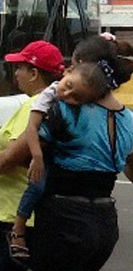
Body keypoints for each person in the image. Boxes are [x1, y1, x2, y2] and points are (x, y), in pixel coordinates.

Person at [0, 35, 133, 271]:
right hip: (104, 226)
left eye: (71, 66)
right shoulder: (128, 119)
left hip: (63, 224)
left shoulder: (64, 109)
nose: (65, 74)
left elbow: (19, 157)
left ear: (86, 69)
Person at [10, 61, 113, 260]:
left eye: (76, 97)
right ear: (67, 72)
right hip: (43, 153)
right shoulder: (49, 94)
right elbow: (31, 128)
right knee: (37, 186)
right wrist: (37, 158)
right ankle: (18, 228)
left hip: (63, 157)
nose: (67, 95)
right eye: (68, 86)